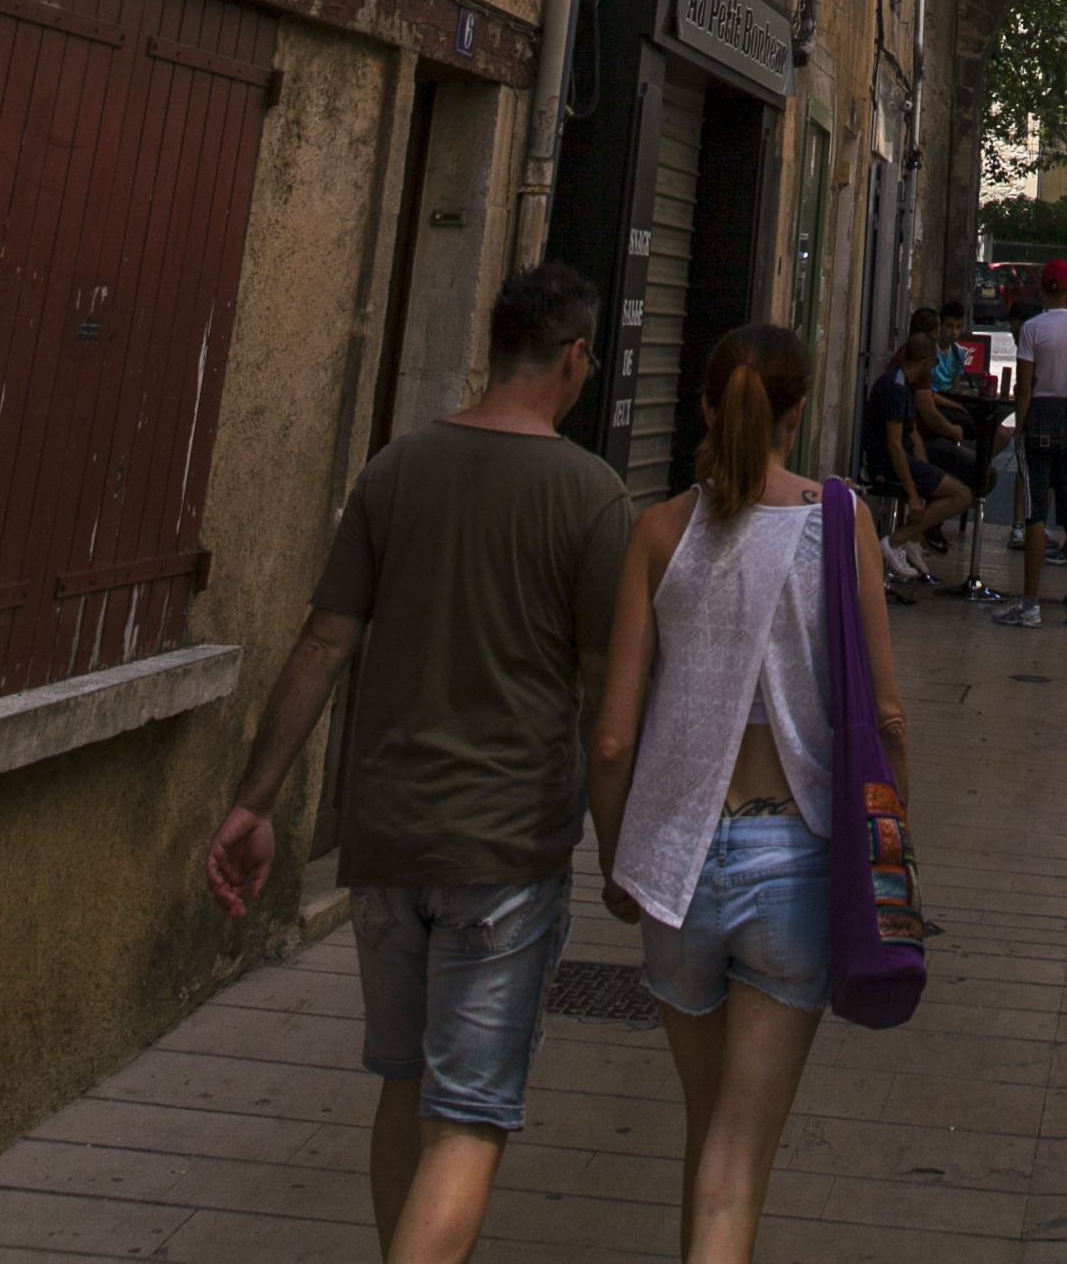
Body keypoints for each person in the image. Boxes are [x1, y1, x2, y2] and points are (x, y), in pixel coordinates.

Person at [205, 260, 628, 1264]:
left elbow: (321, 645)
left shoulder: (394, 470)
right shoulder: (592, 495)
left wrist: (253, 802)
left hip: (388, 837)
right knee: (471, 1117)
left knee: (405, 1085)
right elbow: (605, 703)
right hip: (504, 845)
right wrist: (623, 852)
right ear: (573, 359)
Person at [591, 324, 906, 1264]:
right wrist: (893, 848)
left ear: (701, 405)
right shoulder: (837, 518)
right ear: (798, 412)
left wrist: (619, 863)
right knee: (739, 1145)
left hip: (676, 860)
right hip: (790, 857)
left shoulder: (656, 531)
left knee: (709, 1130)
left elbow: (611, 734)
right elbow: (886, 713)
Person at [991, 256, 1067, 630]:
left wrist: (1020, 429)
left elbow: (1023, 388)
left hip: (1038, 427)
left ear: (1043, 289)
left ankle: (1030, 604)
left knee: (1036, 514)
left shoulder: (1032, 330)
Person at [864, 335, 972, 583]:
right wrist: (914, 497)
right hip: (887, 464)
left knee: (950, 484)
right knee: (961, 495)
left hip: (904, 458)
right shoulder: (896, 387)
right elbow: (894, 445)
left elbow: (911, 434)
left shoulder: (905, 384)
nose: (932, 369)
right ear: (924, 362)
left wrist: (925, 469)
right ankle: (897, 541)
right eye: (933, 363)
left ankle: (913, 538)